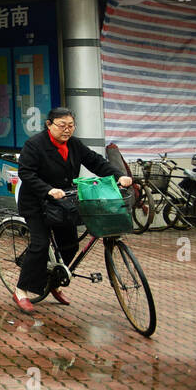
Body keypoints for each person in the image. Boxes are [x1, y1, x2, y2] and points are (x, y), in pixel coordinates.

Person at [14, 107, 132, 313]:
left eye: (71, 126)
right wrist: (48, 190)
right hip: (36, 202)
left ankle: (54, 283)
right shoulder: (34, 145)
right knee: (40, 245)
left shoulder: (74, 144)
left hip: (63, 202)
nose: (67, 130)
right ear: (49, 125)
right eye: (62, 125)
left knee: (70, 246)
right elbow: (26, 173)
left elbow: (96, 162)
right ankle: (21, 290)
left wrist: (117, 175)